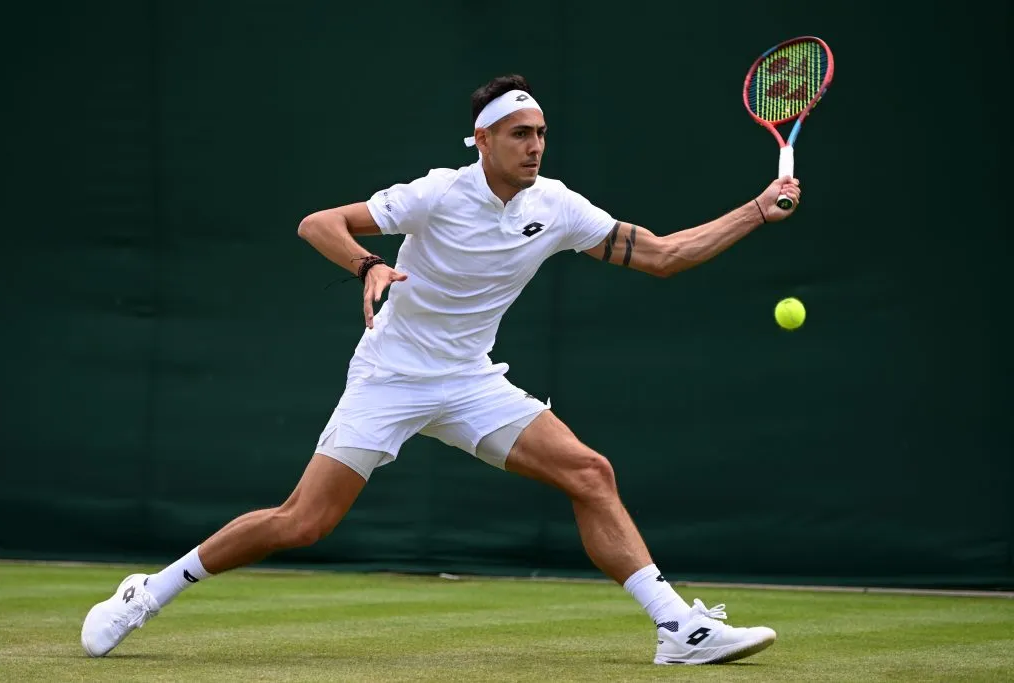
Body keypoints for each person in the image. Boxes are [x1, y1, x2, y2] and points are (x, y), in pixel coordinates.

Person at [81, 74, 801, 666]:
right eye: (520, 133)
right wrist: (369, 263)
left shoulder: (558, 206)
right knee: (302, 522)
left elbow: (664, 255)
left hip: (469, 380)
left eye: (541, 133)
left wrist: (757, 211)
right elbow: (317, 223)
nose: (535, 145)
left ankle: (677, 627)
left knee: (590, 471)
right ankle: (148, 591)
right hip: (390, 374)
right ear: (483, 139)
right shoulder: (436, 193)